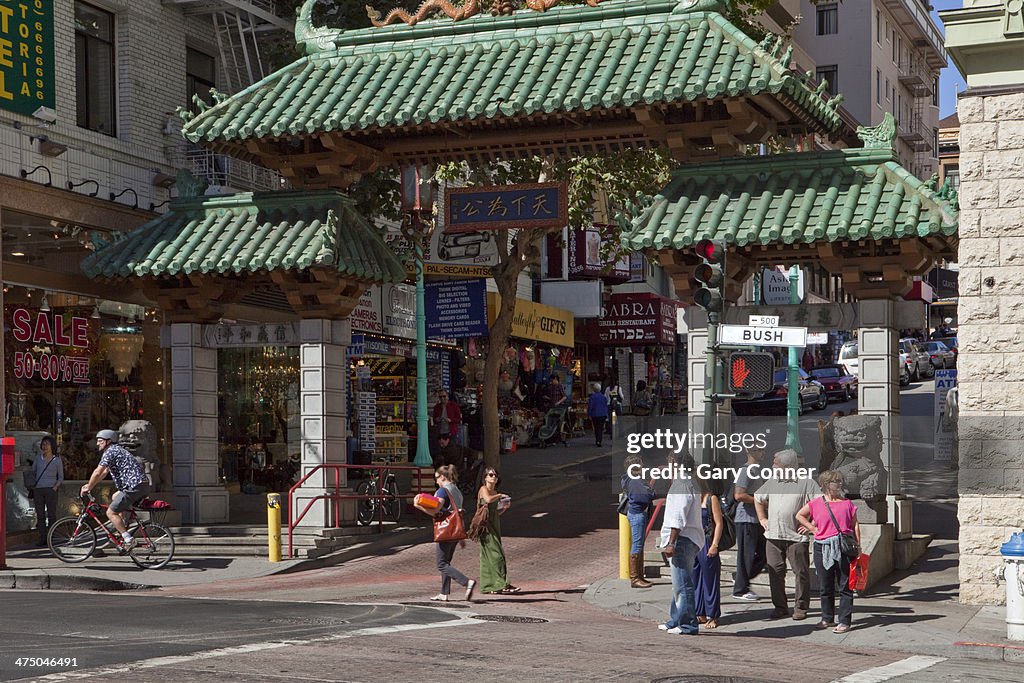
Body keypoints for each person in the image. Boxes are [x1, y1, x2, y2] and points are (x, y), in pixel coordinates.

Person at [754, 449, 819, 621]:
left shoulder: (807, 482)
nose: (772, 466)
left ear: (788, 466)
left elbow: (821, 504)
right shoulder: (773, 480)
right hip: (774, 535)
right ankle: (780, 607)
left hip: (796, 536)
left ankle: (801, 607)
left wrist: (811, 525)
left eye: (776, 463)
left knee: (801, 572)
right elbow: (757, 497)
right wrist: (762, 518)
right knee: (775, 570)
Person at [796, 470, 861, 634]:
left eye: (840, 481)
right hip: (822, 546)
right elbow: (799, 515)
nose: (839, 484)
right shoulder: (816, 503)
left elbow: (855, 525)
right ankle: (827, 618)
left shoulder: (847, 504)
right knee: (825, 585)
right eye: (835, 481)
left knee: (845, 585)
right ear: (825, 485)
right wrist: (812, 528)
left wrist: (859, 546)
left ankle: (845, 621)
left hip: (843, 546)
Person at [414, 464, 476, 602]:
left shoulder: (443, 491)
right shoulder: (457, 491)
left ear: (443, 477)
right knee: (446, 562)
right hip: (455, 529)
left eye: (437, 478)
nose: (436, 481)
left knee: (441, 564)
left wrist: (419, 506)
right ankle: (444, 593)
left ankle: (466, 582)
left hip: (446, 529)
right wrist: (461, 536)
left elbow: (436, 510)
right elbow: (457, 511)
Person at [80, 429, 150, 551]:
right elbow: (104, 472)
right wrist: (90, 485)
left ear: (109, 441)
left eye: (100, 441)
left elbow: (98, 472)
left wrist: (89, 487)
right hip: (137, 485)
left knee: (110, 513)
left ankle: (128, 539)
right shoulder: (116, 450)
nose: (97, 444)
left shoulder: (111, 451)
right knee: (114, 497)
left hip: (133, 486)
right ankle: (122, 527)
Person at [657, 453, 703, 635]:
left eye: (669, 463)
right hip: (688, 538)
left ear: (675, 464)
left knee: (682, 584)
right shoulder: (688, 482)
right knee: (679, 583)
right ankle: (676, 619)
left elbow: (678, 516)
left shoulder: (681, 484)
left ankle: (688, 624)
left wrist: (671, 542)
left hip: (682, 539)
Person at [472, 466, 519, 594]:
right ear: (485, 477)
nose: (494, 477)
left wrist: (504, 507)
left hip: (494, 524)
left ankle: (489, 586)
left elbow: (495, 512)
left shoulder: (495, 492)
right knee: (496, 555)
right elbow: (487, 499)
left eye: (495, 475)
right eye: (491, 475)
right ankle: (502, 584)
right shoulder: (483, 489)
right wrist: (500, 495)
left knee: (489, 556)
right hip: (485, 527)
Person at [732, 446, 767, 601]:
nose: (762, 453)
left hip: (756, 518)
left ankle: (741, 577)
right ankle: (740, 588)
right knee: (747, 554)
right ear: (749, 452)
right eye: (758, 450)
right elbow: (739, 495)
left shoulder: (756, 470)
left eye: (762, 450)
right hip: (746, 518)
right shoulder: (746, 470)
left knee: (763, 552)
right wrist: (759, 502)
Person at [693, 472, 723, 628]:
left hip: (707, 540)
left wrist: (715, 544)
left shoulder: (711, 499)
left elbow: (719, 523)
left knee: (710, 580)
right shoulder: (692, 499)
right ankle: (700, 612)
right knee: (696, 578)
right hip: (694, 541)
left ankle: (713, 615)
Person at [621, 454, 656, 589]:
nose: (643, 467)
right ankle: (635, 578)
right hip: (637, 514)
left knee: (639, 544)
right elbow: (645, 497)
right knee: (637, 545)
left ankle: (639, 576)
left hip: (635, 513)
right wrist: (651, 492)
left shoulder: (630, 479)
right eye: (641, 465)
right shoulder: (635, 481)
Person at [28, 435, 64, 547]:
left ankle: (51, 537)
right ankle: (42, 537)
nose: (44, 447)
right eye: (43, 444)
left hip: (51, 489)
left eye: (47, 444)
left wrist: (55, 487)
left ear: (52, 446)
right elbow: (33, 472)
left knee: (51, 514)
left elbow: (61, 476)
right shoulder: (38, 458)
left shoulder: (57, 460)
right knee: (40, 515)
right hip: (38, 489)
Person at [587, 383, 609, 447]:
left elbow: (590, 406)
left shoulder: (592, 397)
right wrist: (606, 414)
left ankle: (597, 440)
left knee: (596, 428)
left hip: (595, 415)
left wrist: (589, 414)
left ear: (594, 389)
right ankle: (599, 440)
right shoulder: (603, 397)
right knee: (601, 428)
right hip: (602, 414)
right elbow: (605, 406)